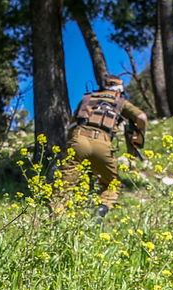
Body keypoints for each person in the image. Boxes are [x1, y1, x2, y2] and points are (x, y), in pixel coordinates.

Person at [59, 75, 148, 219]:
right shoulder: (120, 102)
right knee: (112, 185)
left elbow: (72, 123)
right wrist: (139, 136)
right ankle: (99, 213)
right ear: (119, 91)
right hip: (103, 143)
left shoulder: (87, 98)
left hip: (79, 139)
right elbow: (142, 117)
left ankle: (57, 221)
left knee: (63, 187)